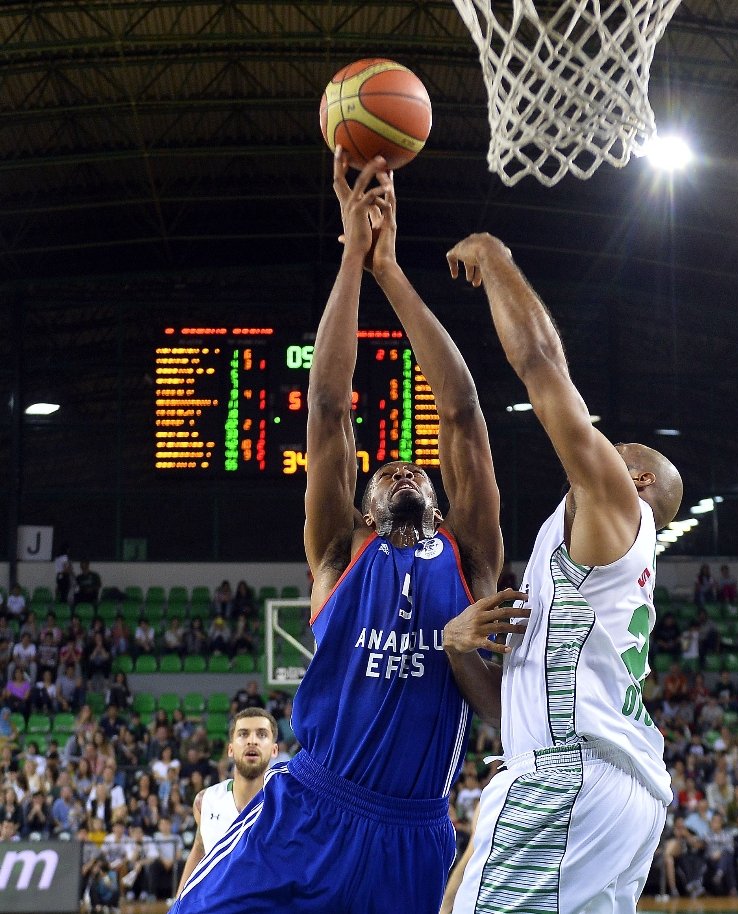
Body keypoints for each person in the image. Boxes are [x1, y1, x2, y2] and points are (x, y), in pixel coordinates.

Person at [172, 154, 505, 914]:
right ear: (361, 508)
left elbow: (462, 412)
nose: (405, 474)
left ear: (440, 498)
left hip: (413, 831)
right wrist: (355, 257)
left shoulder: (472, 558)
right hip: (310, 809)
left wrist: (394, 270)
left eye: (416, 471)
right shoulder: (338, 553)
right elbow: (326, 406)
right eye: (386, 472)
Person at [441, 232, 683, 914]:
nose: (606, 447)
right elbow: (510, 708)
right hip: (608, 786)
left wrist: (498, 260)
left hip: (573, 776)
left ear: (634, 476)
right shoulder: (590, 560)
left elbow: (543, 366)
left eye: (619, 447)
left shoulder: (616, 502)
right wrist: (460, 648)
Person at [175, 708, 278, 896]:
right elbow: (199, 848)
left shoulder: (289, 804)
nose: (252, 740)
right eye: (243, 734)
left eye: (262, 734)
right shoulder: (205, 801)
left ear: (274, 749)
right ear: (230, 749)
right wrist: (178, 904)